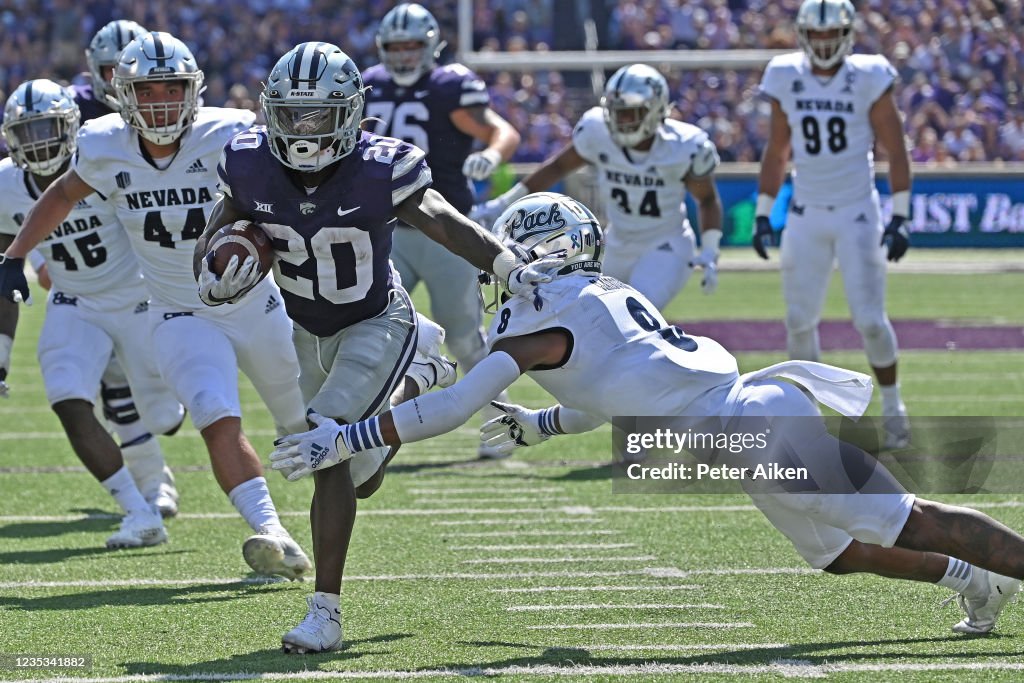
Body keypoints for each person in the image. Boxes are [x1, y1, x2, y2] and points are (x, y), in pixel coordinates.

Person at [272, 191, 1024, 638]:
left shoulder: (549, 319)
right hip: (740, 423)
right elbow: (611, 399)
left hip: (750, 426)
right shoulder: (591, 307)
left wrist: (353, 434)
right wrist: (539, 426)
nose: (494, 271)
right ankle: (977, 580)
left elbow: (454, 404)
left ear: (540, 254)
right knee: (836, 552)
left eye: (505, 255)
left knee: (905, 517)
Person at [195, 42, 562, 654]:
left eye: (319, 116)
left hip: (377, 320)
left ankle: (325, 615)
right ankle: (421, 375)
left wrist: (505, 265)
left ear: (350, 112)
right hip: (306, 330)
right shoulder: (247, 163)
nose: (304, 130)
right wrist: (211, 267)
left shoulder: (381, 165)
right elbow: (219, 229)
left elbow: (443, 220)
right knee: (359, 479)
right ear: (270, 112)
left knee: (325, 443)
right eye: (292, 115)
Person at [0, 33, 312, 579]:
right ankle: (273, 532)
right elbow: (62, 194)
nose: (162, 101)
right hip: (176, 311)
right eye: (148, 90)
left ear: (194, 90)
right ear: (122, 94)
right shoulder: (103, 143)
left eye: (173, 87)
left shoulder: (231, 132)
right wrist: (17, 254)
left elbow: (300, 179)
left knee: (302, 427)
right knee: (216, 417)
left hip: (252, 300)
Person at [0, 79, 183, 546]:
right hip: (75, 302)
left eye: (48, 127)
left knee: (166, 417)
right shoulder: (5, 186)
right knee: (66, 398)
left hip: (137, 296)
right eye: (28, 131)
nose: (39, 140)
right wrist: (2, 354)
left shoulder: (101, 161)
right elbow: (7, 276)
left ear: (70, 125)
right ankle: (140, 512)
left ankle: (157, 479)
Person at [751, 0, 912, 449]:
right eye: (816, 35)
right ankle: (810, 421)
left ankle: (894, 405)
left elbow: (895, 149)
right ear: (804, 35)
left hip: (857, 211)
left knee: (870, 321)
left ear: (846, 35)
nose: (823, 44)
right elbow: (777, 149)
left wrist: (900, 214)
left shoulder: (868, 75)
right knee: (799, 320)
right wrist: (765, 211)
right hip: (806, 211)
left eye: (830, 35)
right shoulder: (786, 74)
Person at [363, 3, 521, 457]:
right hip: (385, 230)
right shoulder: (368, 85)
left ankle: (501, 417)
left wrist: (491, 157)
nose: (405, 54)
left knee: (464, 335)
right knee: (369, 328)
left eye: (413, 44)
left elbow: (501, 131)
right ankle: (363, 429)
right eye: (397, 46)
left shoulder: (449, 84)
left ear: (432, 44)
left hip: (444, 230)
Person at [472, 63, 723, 311]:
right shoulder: (598, 130)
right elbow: (558, 166)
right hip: (617, 241)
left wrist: (710, 250)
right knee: (585, 312)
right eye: (615, 111)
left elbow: (707, 200)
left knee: (633, 312)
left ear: (654, 111)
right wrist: (504, 203)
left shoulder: (684, 146)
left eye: (629, 113)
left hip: (665, 244)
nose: (620, 120)